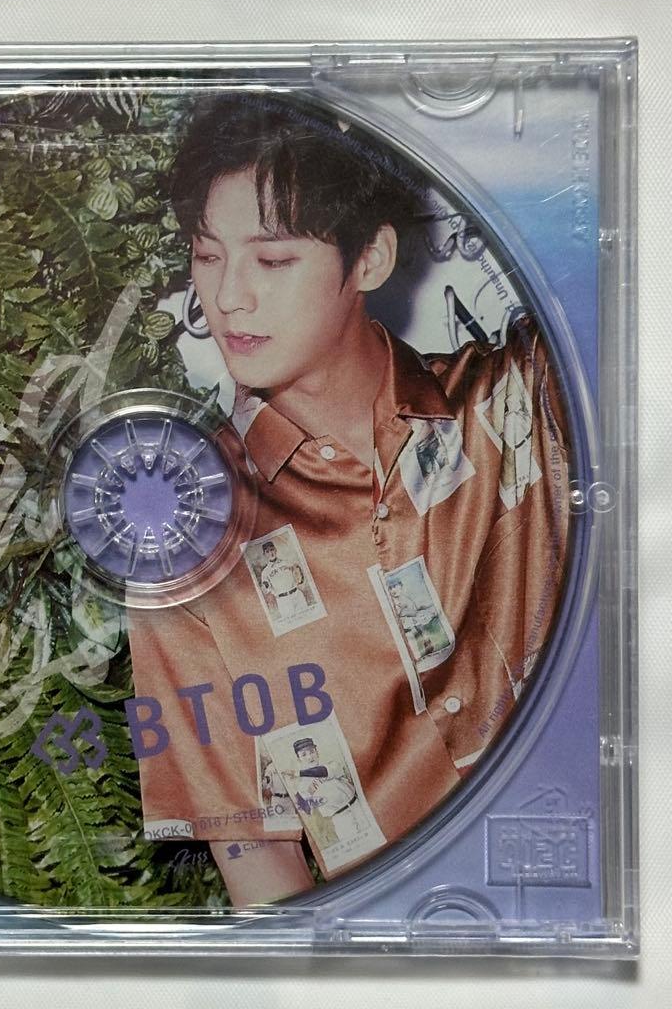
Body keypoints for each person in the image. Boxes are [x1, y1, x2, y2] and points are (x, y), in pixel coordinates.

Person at [126, 94, 572, 905]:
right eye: (207, 255)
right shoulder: (187, 542)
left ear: (370, 259)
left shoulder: (521, 403)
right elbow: (257, 862)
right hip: (396, 947)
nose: (229, 297)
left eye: (272, 260)